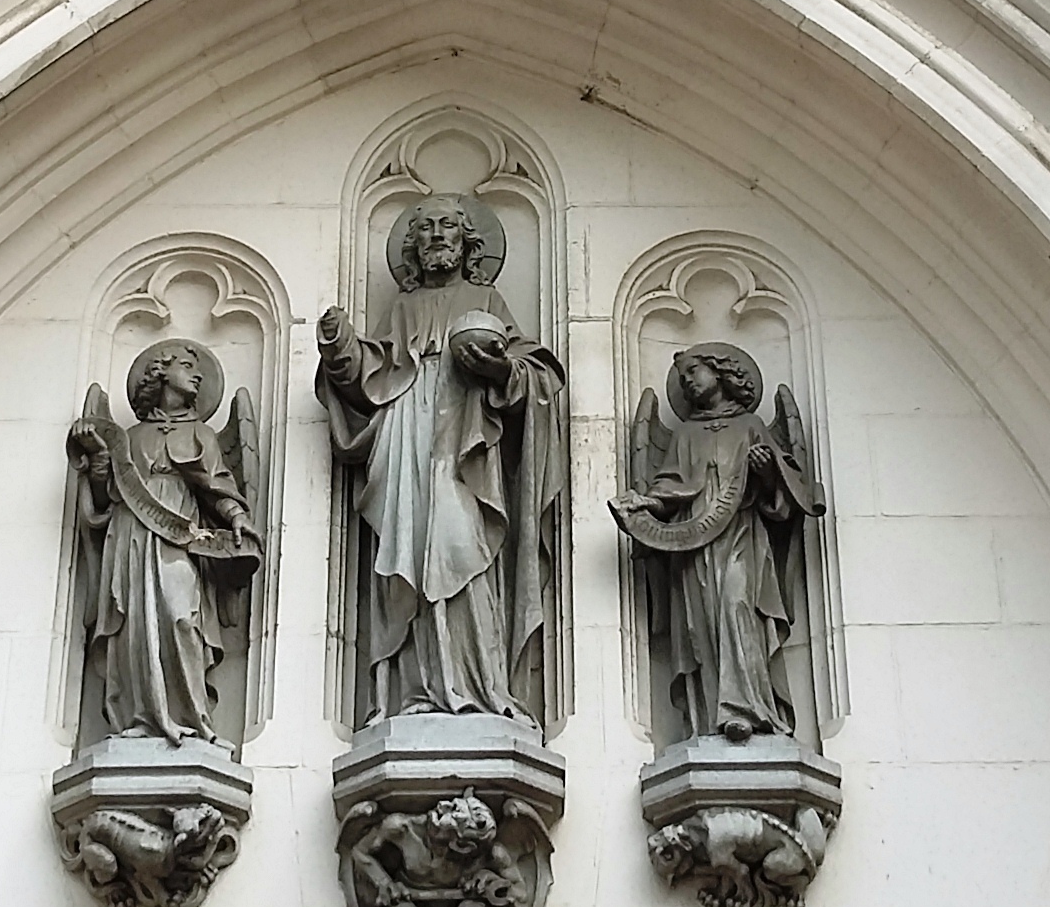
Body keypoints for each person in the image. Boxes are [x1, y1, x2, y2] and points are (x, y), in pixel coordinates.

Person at [316, 194, 567, 725]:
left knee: (463, 544)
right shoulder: (403, 308)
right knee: (406, 552)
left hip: (465, 432)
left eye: (446, 226)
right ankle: (413, 690)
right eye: (425, 227)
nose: (435, 235)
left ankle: (480, 684)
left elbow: (535, 372)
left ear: (466, 241)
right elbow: (374, 375)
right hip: (406, 431)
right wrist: (342, 348)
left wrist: (499, 371)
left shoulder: (486, 300)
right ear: (413, 246)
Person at [612, 343, 825, 742]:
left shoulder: (750, 426)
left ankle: (751, 708)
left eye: (694, 372)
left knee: (737, 605)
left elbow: (786, 495)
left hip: (742, 536)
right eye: (683, 378)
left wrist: (766, 472)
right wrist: (644, 505)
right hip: (693, 547)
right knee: (701, 625)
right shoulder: (685, 435)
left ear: (722, 373)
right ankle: (710, 715)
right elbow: (669, 488)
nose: (688, 382)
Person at [68, 339, 258, 744]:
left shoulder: (202, 434)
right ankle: (139, 719)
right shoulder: (130, 437)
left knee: (180, 616)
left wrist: (237, 516)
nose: (197, 374)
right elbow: (105, 497)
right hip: (131, 536)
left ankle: (192, 719)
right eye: (186, 365)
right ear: (160, 373)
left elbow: (217, 485)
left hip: (178, 535)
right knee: (134, 624)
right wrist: (97, 458)